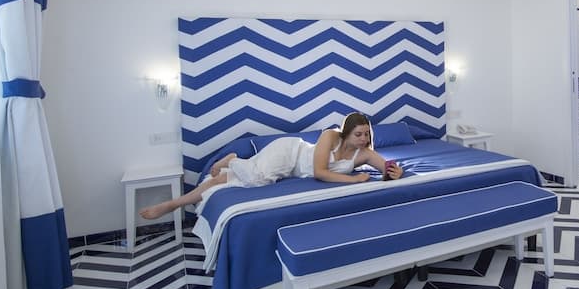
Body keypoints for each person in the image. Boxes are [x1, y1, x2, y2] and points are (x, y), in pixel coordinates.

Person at [139, 112, 404, 219]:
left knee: (227, 180)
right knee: (256, 179)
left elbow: (387, 168)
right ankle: (231, 159)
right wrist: (354, 179)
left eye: (367, 134)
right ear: (346, 132)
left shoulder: (364, 153)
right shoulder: (330, 136)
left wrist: (396, 172)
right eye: (358, 134)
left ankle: (173, 204)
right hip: (289, 153)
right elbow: (320, 173)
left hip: (291, 170)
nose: (363, 139)